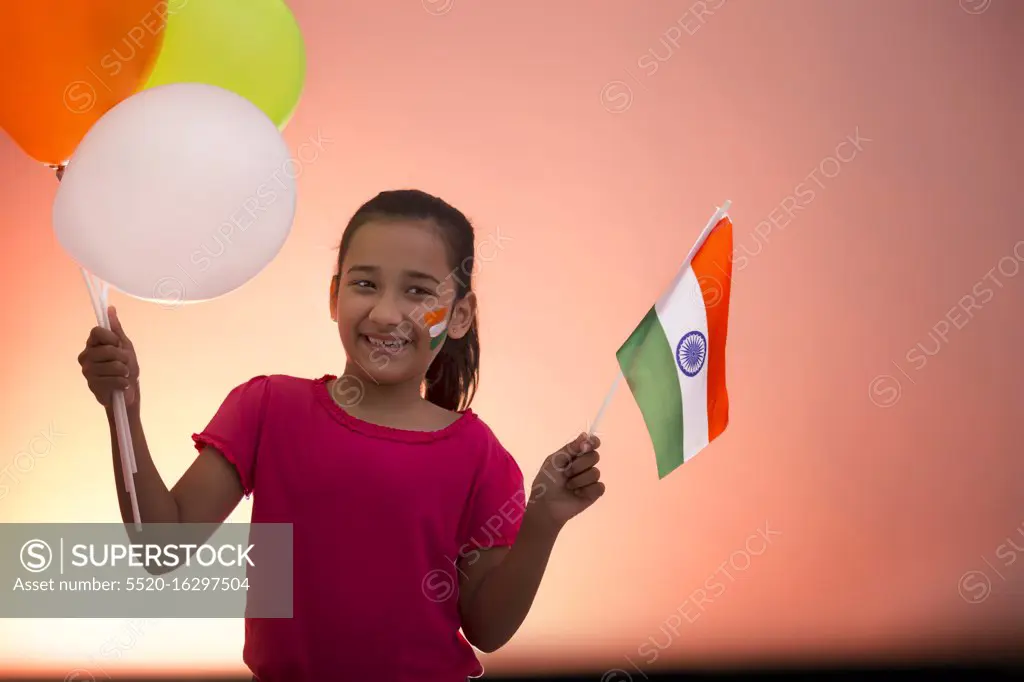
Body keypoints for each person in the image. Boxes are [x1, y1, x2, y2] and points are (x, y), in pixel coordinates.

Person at [77, 189, 606, 682]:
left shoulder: (480, 457)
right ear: (334, 296)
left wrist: (543, 522)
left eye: (419, 291)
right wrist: (124, 408)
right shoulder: (267, 408)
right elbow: (162, 546)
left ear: (460, 315)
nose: (386, 312)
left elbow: (489, 629)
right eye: (365, 283)